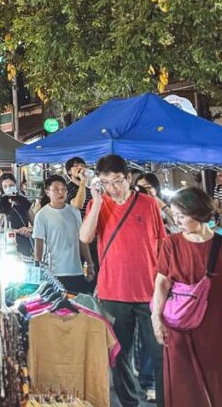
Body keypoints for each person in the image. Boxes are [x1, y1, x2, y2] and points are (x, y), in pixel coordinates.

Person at [152, 187, 222, 406]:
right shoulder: (171, 244)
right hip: (182, 330)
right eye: (175, 215)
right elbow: (161, 284)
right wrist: (156, 318)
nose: (177, 221)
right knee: (186, 390)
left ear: (200, 214)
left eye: (182, 216)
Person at [79, 153, 165, 407]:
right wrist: (95, 201)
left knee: (160, 353)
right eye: (106, 182)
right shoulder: (99, 204)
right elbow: (85, 237)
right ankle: (129, 402)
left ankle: (165, 399)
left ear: (129, 177)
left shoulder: (149, 204)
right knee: (119, 354)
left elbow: (161, 246)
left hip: (149, 293)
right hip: (113, 292)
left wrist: (164, 287)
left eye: (117, 181)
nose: (112, 188)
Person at [32, 175, 94, 293]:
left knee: (77, 308)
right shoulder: (42, 215)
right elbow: (38, 243)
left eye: (63, 189)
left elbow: (82, 240)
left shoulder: (74, 212)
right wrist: (38, 268)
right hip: (54, 272)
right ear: (47, 192)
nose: (60, 192)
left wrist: (89, 264)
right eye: (55, 189)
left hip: (76, 271)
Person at [0, 173, 33, 258]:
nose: (8, 188)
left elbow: (35, 224)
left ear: (16, 185)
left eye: (11, 185)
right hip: (7, 244)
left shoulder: (24, 201)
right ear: (1, 189)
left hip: (25, 243)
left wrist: (29, 230)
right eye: (5, 186)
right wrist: (17, 231)